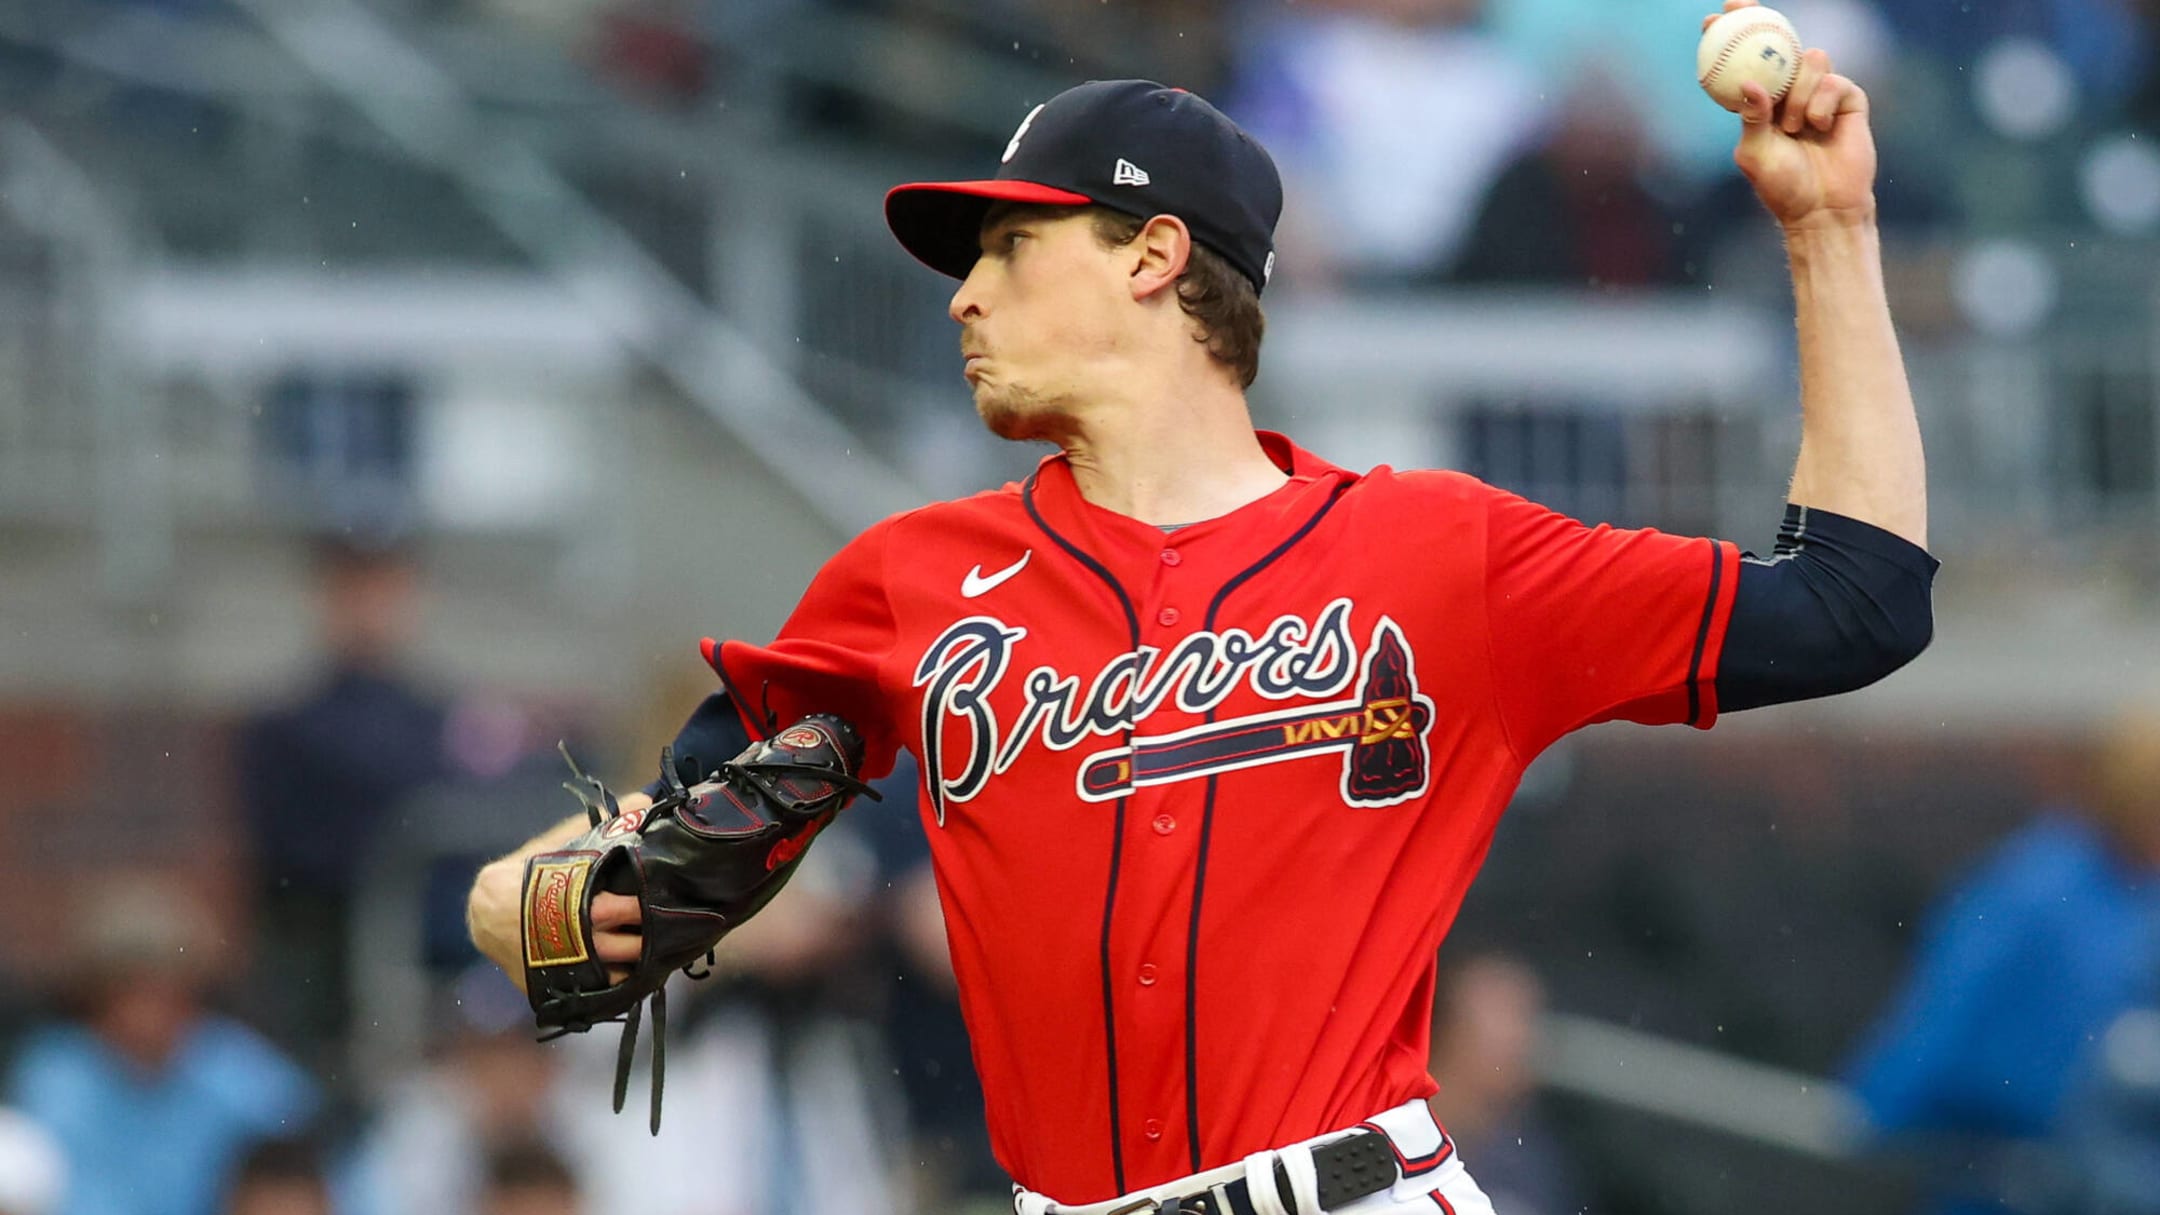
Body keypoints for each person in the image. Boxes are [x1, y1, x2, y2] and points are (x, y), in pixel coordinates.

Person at [467, 3, 1937, 1208]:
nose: (965, 295)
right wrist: (541, 894)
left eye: (1009, 246)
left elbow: (1856, 601)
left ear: (1157, 255)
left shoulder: (1438, 555)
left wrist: (1829, 236)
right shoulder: (909, 582)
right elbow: (624, 878)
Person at [1844, 713, 2160, 1215]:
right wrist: (1878, 1112)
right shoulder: (2037, 892)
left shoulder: (2134, 895)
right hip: (2000, 1172)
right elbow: (1950, 1019)